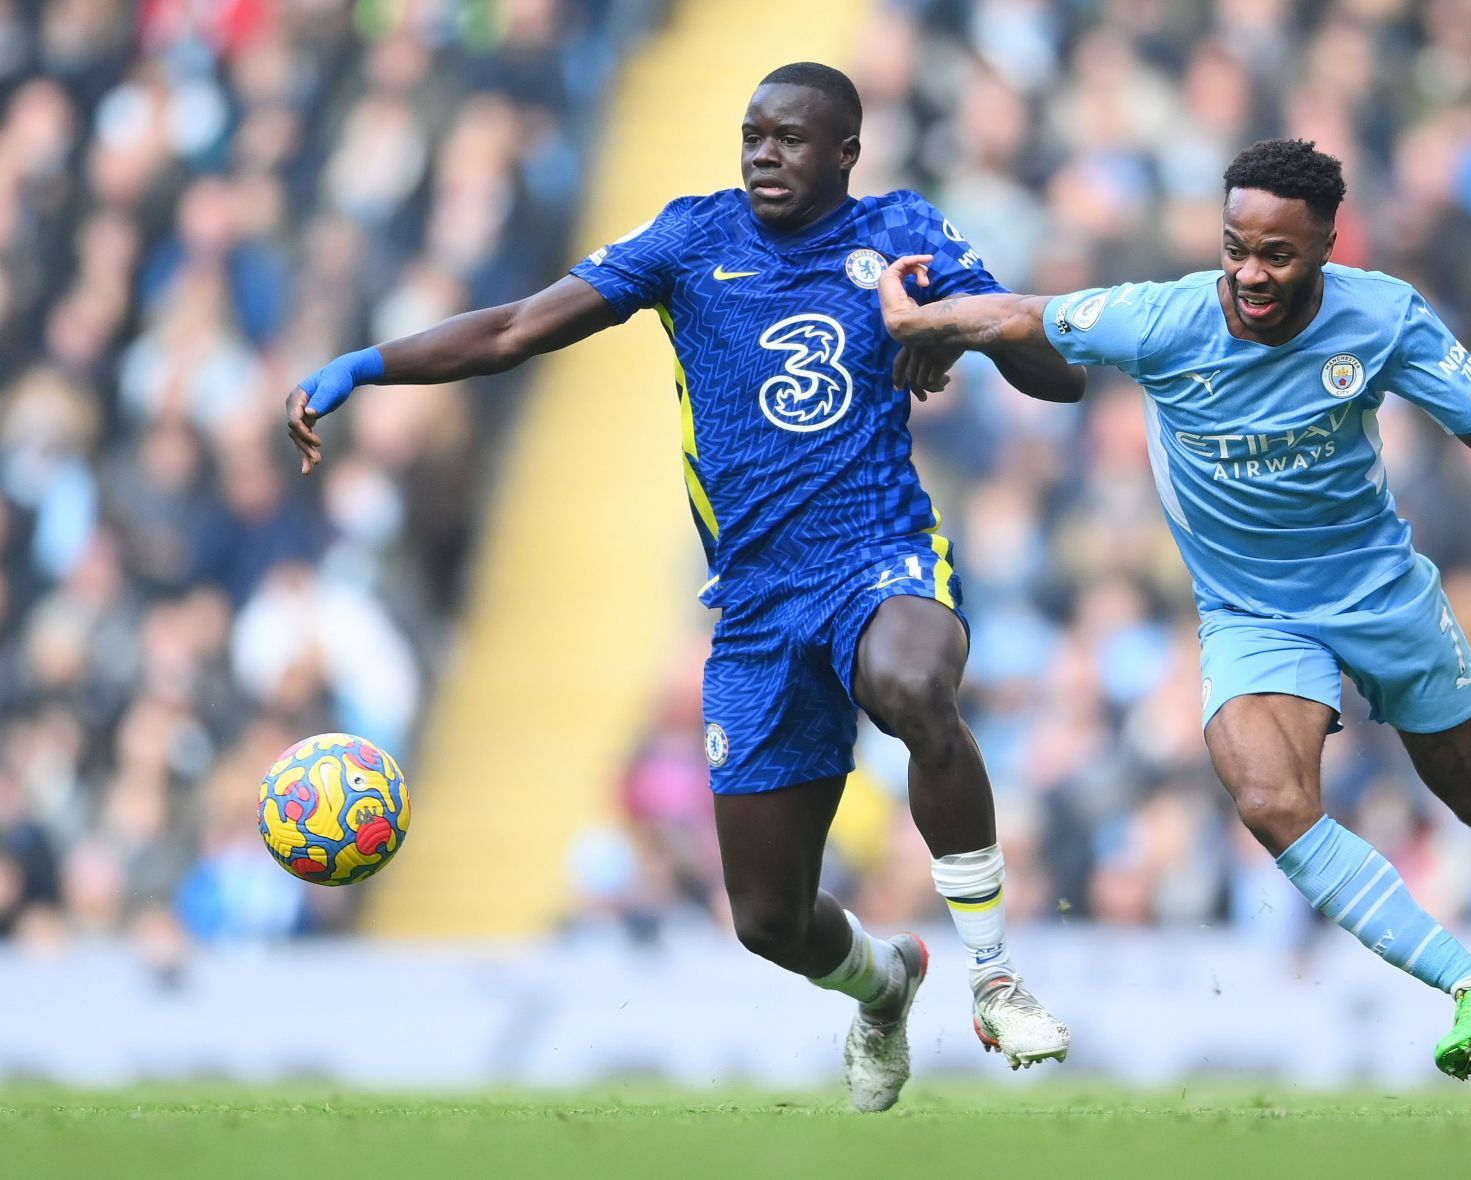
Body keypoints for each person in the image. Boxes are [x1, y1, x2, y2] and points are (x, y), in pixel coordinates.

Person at [285, 62, 1083, 1111]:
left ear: (845, 152)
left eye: (790, 139)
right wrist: (369, 365)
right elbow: (520, 327)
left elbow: (1057, 372)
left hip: (877, 557)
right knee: (768, 920)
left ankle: (995, 972)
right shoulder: (691, 241)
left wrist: (948, 324)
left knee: (912, 686)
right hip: (754, 609)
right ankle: (884, 985)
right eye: (752, 134)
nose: (763, 154)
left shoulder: (901, 232)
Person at [876, 138, 1471, 1080]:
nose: (1249, 272)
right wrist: (928, 321)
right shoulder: (1162, 319)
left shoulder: (1383, 315)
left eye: (1277, 254)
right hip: (1250, 613)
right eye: (1236, 246)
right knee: (1269, 798)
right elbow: (1029, 317)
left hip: (1379, 589)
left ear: (1326, 243)